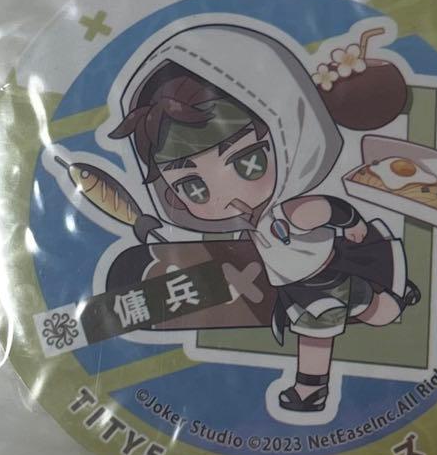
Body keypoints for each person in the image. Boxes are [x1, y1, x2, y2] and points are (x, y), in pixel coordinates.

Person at [109, 22, 419, 413]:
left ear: (288, 137)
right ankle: (394, 297)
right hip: (294, 282)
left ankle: (310, 389)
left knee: (317, 333)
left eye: (249, 162)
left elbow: (330, 210)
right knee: (366, 306)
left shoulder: (289, 211)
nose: (229, 196)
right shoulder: (251, 223)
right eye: (193, 188)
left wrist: (355, 225)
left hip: (320, 278)